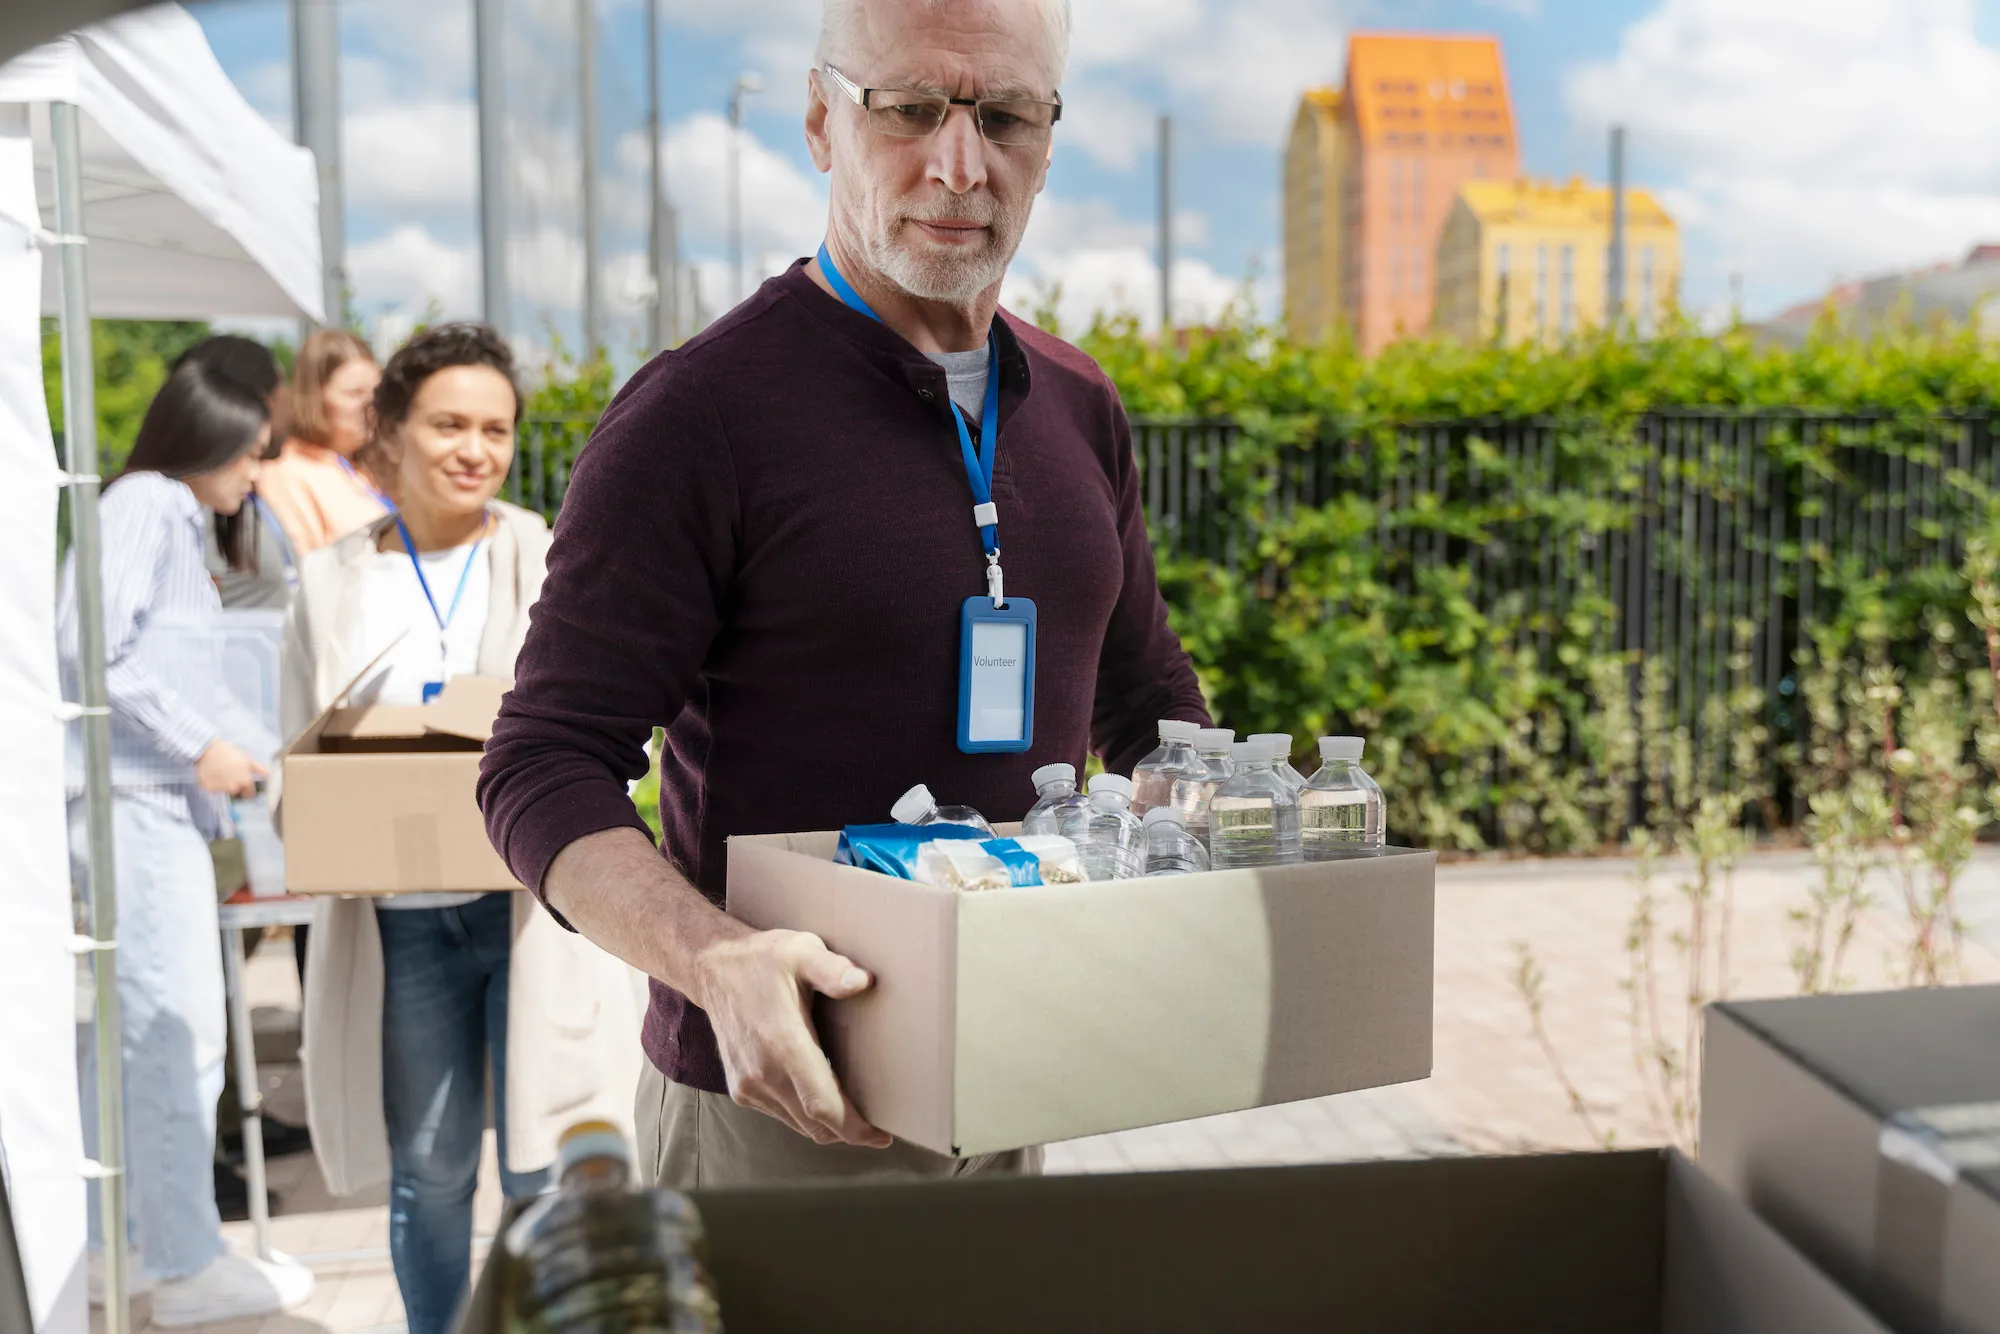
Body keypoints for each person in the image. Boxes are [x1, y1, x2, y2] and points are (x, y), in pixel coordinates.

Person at [478, 0, 1209, 1191]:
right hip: (780, 1105)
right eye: (910, 109)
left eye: (1006, 116)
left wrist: (1221, 824)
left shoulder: (1078, 403)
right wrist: (713, 960)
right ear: (821, 121)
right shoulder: (698, 414)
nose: (959, 165)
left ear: (1049, 138)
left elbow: (1146, 698)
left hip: (1019, 1073)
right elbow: (542, 763)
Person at [282, 324, 645, 1334]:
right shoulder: (330, 578)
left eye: (494, 427)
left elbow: (609, 719)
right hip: (403, 918)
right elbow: (297, 750)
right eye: (448, 423)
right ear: (390, 432)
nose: (473, 448)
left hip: (530, 907)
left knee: (540, 1159)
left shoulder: (549, 551)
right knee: (430, 1167)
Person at [60, 347, 316, 1326]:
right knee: (177, 1034)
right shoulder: (150, 507)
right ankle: (178, 1258)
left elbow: (154, 667)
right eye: (250, 454)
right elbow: (93, 646)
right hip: (141, 807)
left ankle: (112, 1245)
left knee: (133, 1039)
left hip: (148, 805)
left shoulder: (154, 513)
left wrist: (245, 747)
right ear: (206, 434)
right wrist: (205, 742)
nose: (255, 474)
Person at [256, 328, 388, 554]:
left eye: (376, 393)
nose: (370, 406)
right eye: (355, 393)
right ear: (315, 397)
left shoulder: (372, 468)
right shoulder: (286, 475)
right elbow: (305, 570)